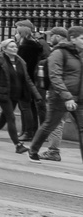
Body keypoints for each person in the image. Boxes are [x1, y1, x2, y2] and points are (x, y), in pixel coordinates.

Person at [29, 27, 83, 164]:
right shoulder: (59, 53)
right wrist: (67, 96)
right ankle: (33, 150)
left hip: (79, 97)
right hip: (59, 97)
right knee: (50, 125)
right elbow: (55, 76)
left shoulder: (80, 54)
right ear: (73, 39)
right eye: (82, 38)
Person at [0, 39, 31, 151]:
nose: (14, 49)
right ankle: (17, 145)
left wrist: (36, 95)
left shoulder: (20, 61)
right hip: (2, 94)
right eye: (11, 47)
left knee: (4, 117)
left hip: (15, 94)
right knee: (11, 117)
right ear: (4, 49)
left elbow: (26, 79)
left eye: (15, 46)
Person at [14, 20, 48, 145]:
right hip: (33, 79)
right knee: (31, 106)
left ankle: (28, 131)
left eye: (17, 29)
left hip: (27, 79)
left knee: (25, 106)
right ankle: (29, 131)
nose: (15, 31)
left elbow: (23, 65)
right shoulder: (34, 44)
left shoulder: (25, 46)